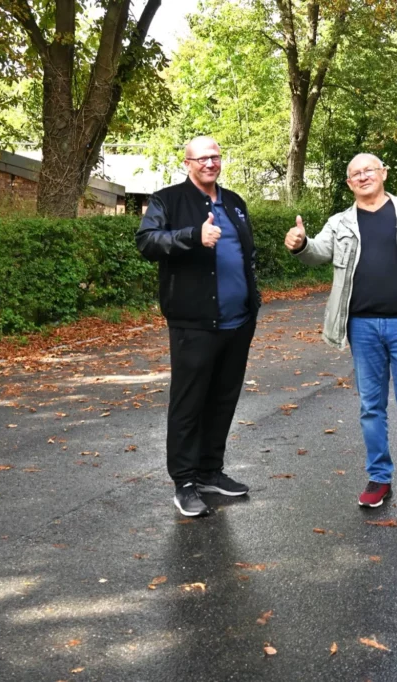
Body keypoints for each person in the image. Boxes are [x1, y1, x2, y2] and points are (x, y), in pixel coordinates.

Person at [284, 153, 397, 516]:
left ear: (383, 174)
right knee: (370, 408)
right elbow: (318, 253)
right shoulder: (341, 222)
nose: (363, 177)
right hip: (361, 327)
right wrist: (300, 244)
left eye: (369, 171)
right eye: (355, 174)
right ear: (349, 183)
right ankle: (379, 478)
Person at [136, 136, 260, 517]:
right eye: (201, 157)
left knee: (223, 399)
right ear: (187, 162)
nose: (210, 163)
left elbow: (246, 253)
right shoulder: (167, 200)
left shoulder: (235, 202)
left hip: (238, 322)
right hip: (194, 324)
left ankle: (210, 471)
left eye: (215, 156)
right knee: (189, 403)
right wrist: (193, 235)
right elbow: (147, 241)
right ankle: (185, 481)